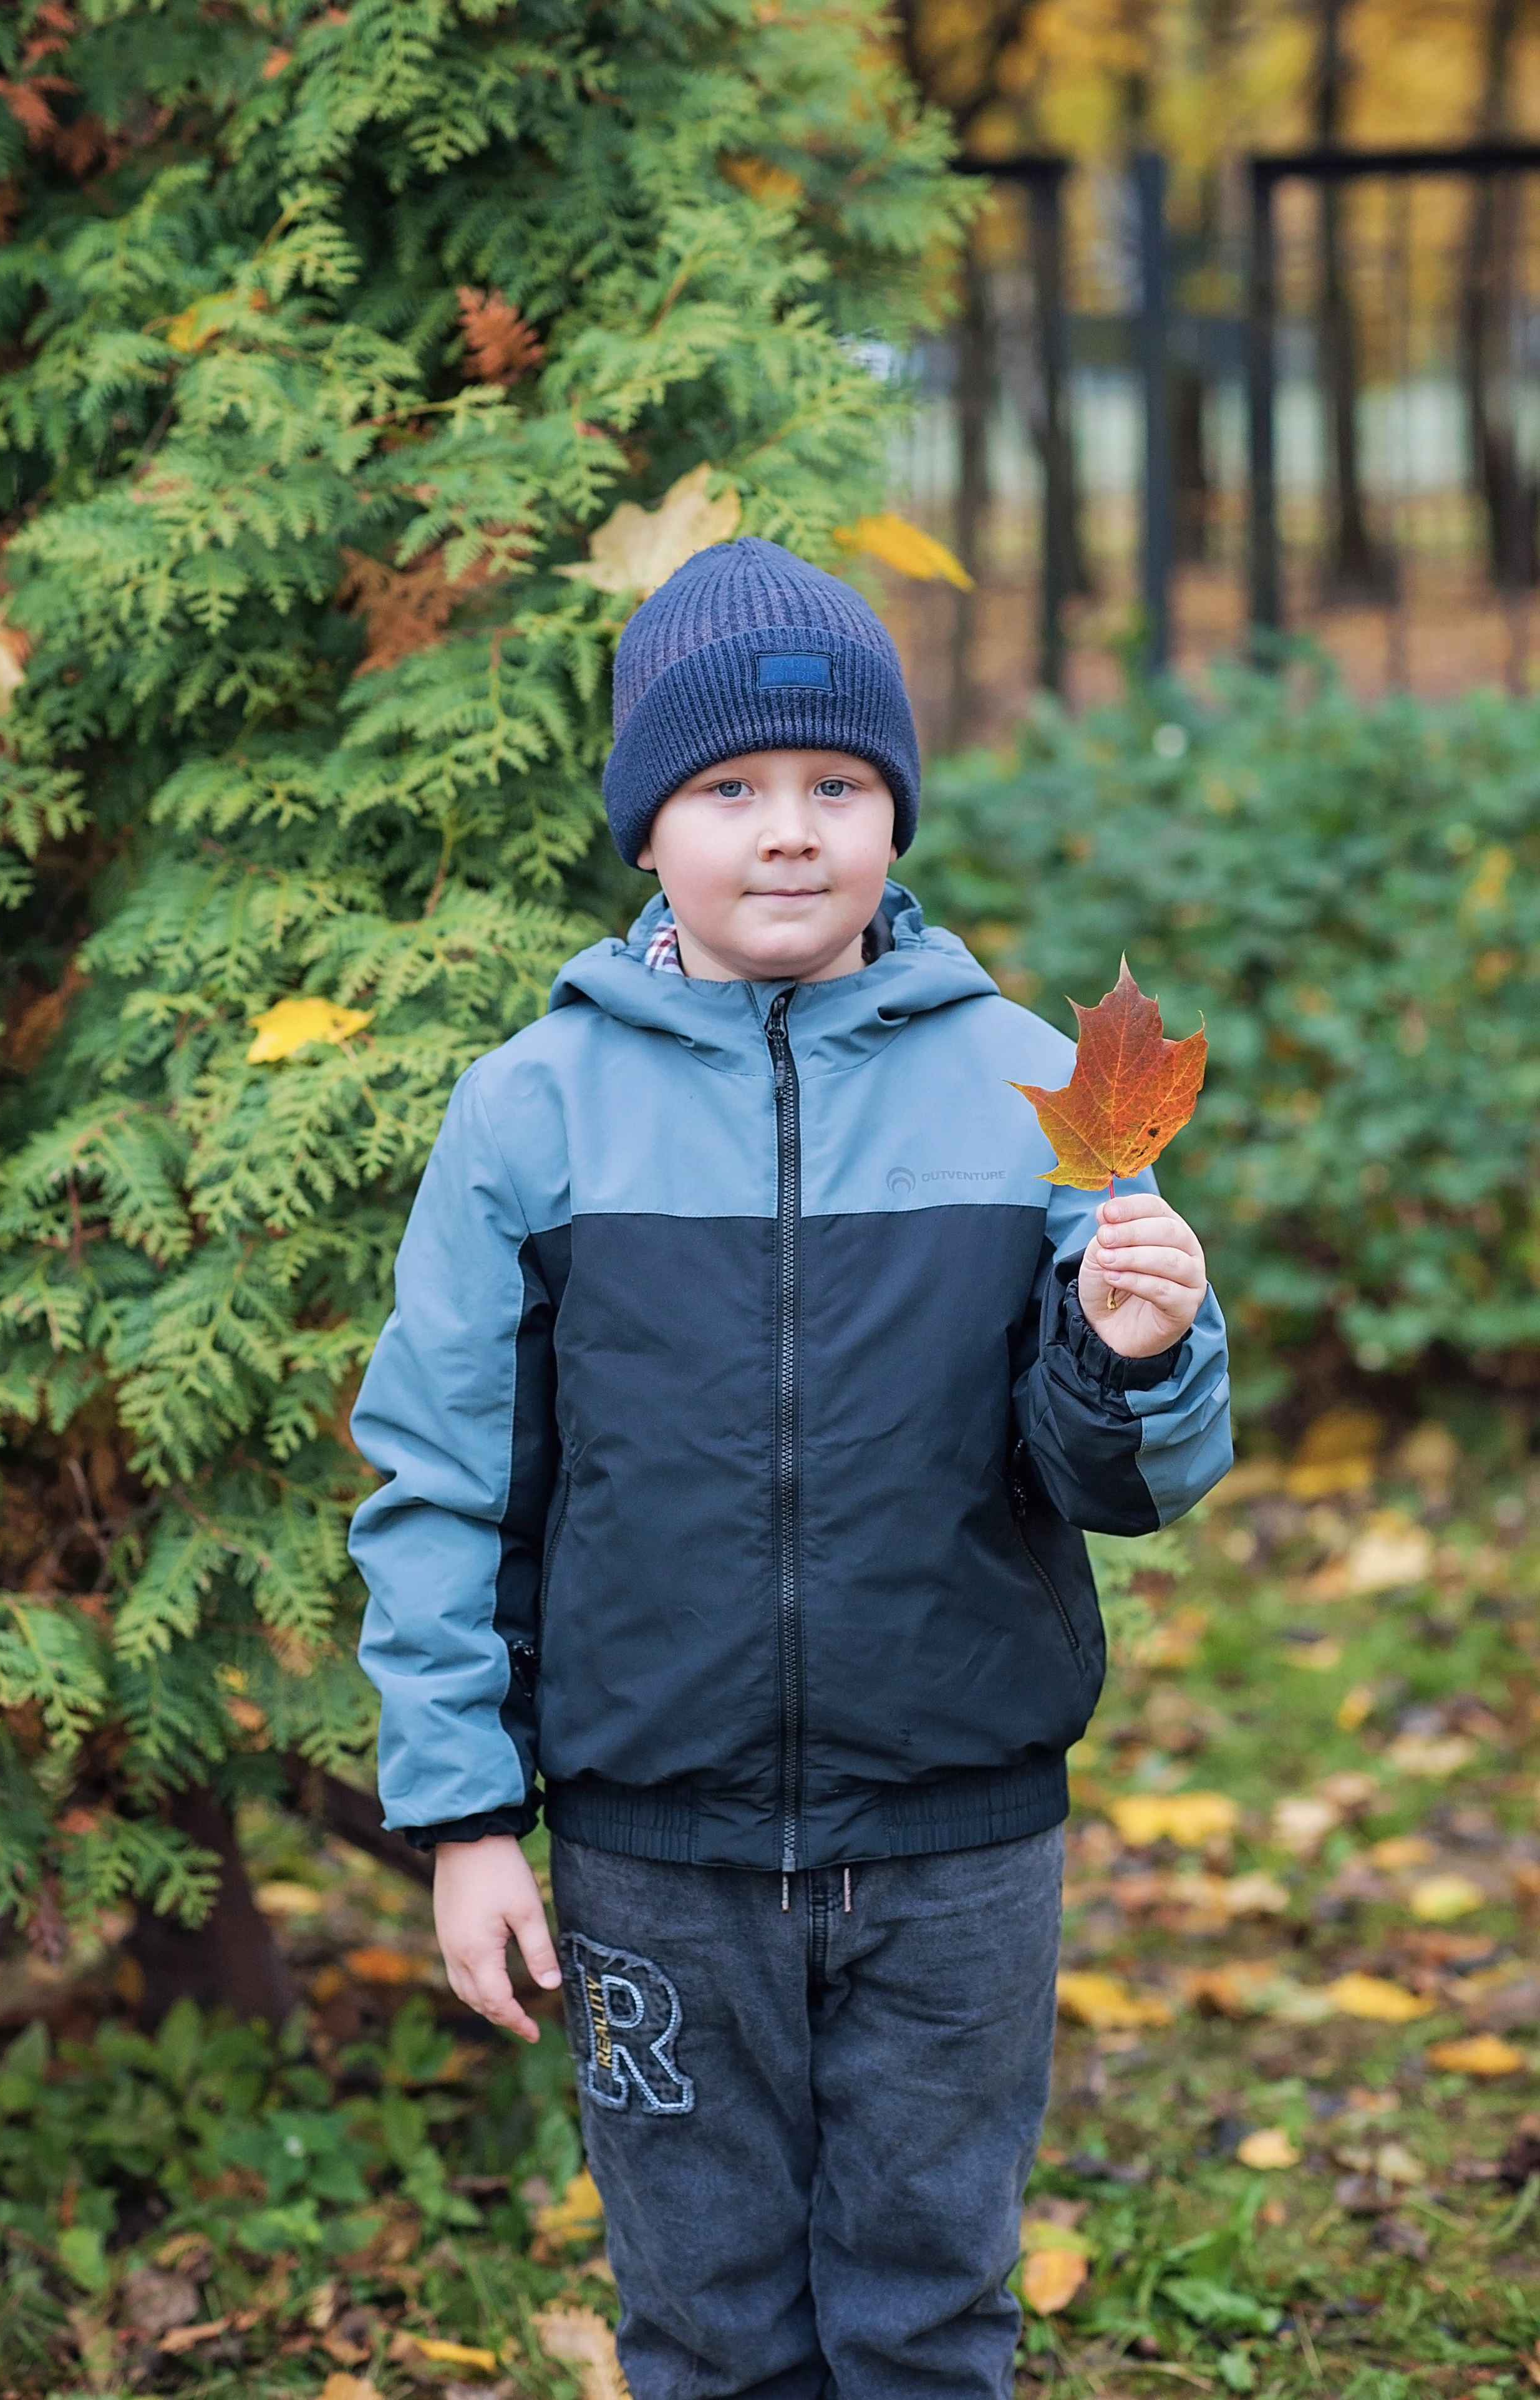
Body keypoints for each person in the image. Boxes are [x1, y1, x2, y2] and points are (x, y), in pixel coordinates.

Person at [351, 537, 1231, 2400]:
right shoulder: (532, 1111)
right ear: (645, 825)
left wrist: (1136, 1353)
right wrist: (459, 1817)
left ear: (895, 812)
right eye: (729, 787)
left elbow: (1117, 1479)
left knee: (927, 2309)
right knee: (706, 2320)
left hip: (959, 1841)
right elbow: (443, 1478)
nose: (790, 830)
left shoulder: (1027, 1095)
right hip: (649, 1846)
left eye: (839, 785)